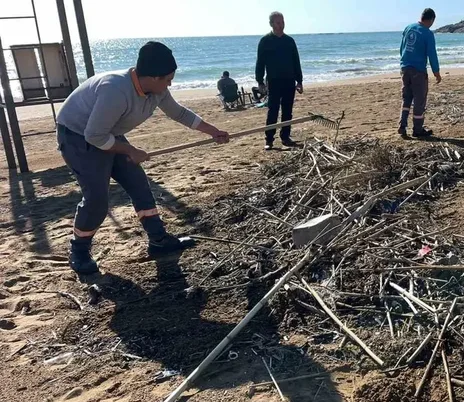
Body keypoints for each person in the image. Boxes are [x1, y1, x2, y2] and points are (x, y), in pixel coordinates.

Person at [55, 41, 230, 275]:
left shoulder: (157, 91)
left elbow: (179, 113)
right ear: (154, 77)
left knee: (138, 184)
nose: (170, 84)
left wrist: (212, 131)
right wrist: (130, 150)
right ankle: (79, 252)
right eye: (168, 79)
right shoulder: (115, 90)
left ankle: (158, 240)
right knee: (97, 200)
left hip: (107, 133)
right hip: (78, 136)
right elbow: (94, 136)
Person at [255, 11, 303, 150]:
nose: (281, 25)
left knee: (287, 111)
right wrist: (260, 82)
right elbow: (260, 63)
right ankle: (269, 139)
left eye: (282, 22)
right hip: (273, 81)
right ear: (271, 24)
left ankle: (285, 137)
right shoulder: (265, 41)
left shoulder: (289, 41)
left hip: (289, 80)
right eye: (278, 22)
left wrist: (299, 81)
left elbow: (296, 61)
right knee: (273, 111)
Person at [398, 8, 441, 138]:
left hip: (405, 68)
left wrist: (403, 62)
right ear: (431, 20)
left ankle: (402, 125)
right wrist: (436, 72)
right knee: (419, 100)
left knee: (406, 98)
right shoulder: (427, 33)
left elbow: (402, 48)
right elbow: (432, 54)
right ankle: (417, 129)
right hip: (418, 71)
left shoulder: (408, 28)